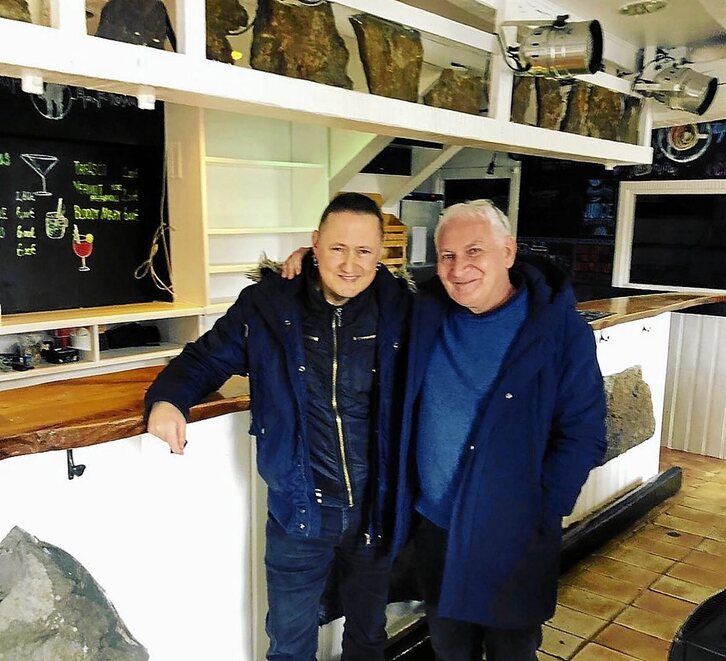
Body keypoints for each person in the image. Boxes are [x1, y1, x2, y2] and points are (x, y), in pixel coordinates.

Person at [145, 192, 413, 661]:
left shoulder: (403, 309)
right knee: (289, 647)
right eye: (337, 248)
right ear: (315, 244)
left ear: (380, 254)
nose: (350, 264)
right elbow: (205, 359)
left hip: (375, 512)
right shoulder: (268, 305)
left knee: (368, 640)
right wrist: (168, 399)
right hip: (299, 512)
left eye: (363, 251)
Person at [391, 200, 607, 661]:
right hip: (436, 530)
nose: (458, 269)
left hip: (512, 535)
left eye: (475, 251)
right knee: (450, 649)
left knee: (512, 651)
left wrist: (542, 509)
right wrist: (309, 261)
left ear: (508, 252)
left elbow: (584, 432)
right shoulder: (425, 313)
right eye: (447, 256)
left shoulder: (561, 332)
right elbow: (351, 286)